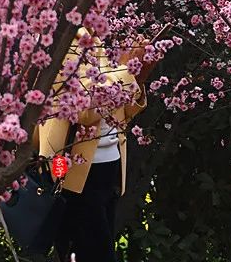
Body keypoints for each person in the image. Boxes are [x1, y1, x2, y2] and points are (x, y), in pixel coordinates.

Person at [34, 24, 160, 262]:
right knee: (91, 251)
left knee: (94, 247)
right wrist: (126, 71)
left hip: (108, 165)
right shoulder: (70, 35)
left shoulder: (103, 31)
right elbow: (83, 111)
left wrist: (138, 77)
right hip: (73, 170)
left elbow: (119, 111)